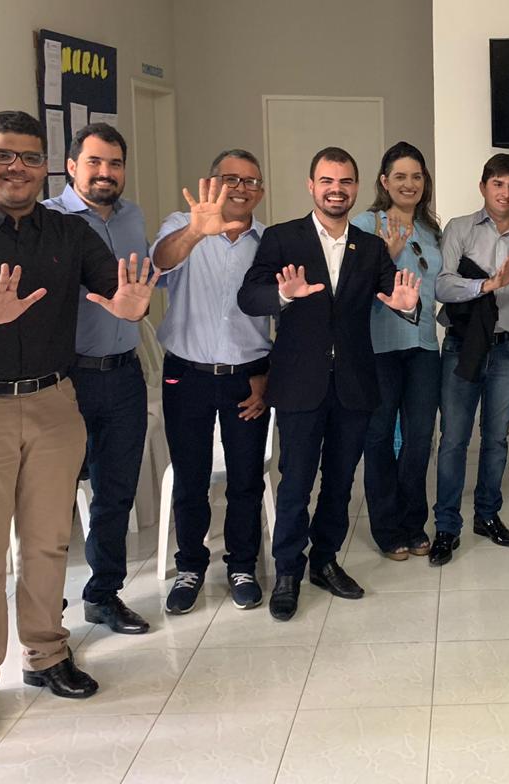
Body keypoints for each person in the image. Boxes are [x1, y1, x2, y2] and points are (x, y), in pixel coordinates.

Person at [0, 109, 156, 741]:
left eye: (28, 157)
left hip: (52, 401)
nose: (16, 167)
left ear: (46, 166)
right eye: (3, 155)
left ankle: (46, 654)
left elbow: (112, 287)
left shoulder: (68, 230)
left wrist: (130, 304)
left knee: (48, 543)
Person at [239, 147, 420, 618]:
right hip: (300, 384)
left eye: (344, 182)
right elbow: (249, 296)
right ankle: (287, 571)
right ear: (311, 186)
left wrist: (408, 305)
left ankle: (324, 561)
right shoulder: (282, 238)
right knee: (296, 482)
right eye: (327, 181)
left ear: (356, 188)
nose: (336, 190)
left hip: (355, 385)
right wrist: (282, 294)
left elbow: (397, 293)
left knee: (339, 483)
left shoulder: (370, 247)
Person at [150, 152, 271, 614]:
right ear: (212, 182)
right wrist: (196, 232)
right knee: (190, 477)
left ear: (260, 192)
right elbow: (159, 264)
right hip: (187, 375)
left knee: (246, 479)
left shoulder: (269, 242)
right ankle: (190, 567)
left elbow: (285, 314)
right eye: (230, 178)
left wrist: (267, 378)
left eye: (251, 181)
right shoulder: (181, 226)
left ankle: (241, 565)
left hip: (247, 377)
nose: (240, 187)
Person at [44, 122, 151, 636]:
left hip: (124, 374)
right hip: (67, 381)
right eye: (94, 162)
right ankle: (45, 612)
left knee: (115, 492)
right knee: (51, 500)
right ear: (71, 166)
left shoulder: (133, 217)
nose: (105, 172)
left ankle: (103, 595)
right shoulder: (47, 220)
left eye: (115, 163)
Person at [427, 153, 509, 566]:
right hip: (463, 346)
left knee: (496, 438)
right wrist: (485, 285)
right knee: (454, 439)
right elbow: (442, 286)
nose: (505, 193)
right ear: (483, 187)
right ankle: (446, 526)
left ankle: (486, 516)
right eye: (498, 184)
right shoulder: (459, 228)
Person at [351, 141, 442, 560]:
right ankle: (387, 529)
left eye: (416, 176)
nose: (409, 184)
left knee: (420, 438)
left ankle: (414, 522)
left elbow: (438, 285)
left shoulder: (431, 230)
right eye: (400, 176)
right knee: (380, 437)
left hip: (423, 347)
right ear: (384, 182)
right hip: (379, 349)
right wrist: (383, 257)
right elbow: (349, 287)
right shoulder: (365, 224)